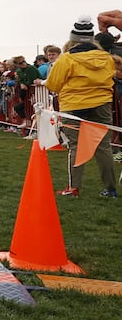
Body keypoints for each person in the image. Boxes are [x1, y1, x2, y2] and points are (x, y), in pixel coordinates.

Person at [46, 17, 117, 198]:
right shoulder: (106, 58)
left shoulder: (66, 59)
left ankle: (74, 188)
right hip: (102, 104)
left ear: (73, 38)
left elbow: (53, 85)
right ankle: (110, 189)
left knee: (75, 146)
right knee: (104, 146)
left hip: (74, 106)